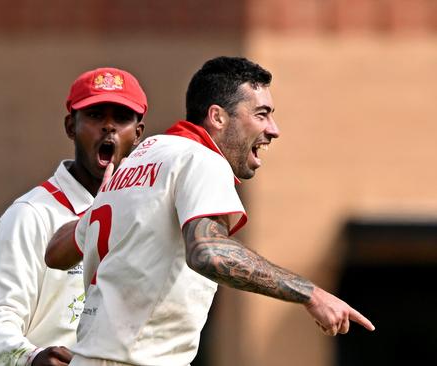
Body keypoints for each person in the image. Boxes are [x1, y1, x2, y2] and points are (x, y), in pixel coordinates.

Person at [45, 56, 375, 366]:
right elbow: (209, 253)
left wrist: (105, 202)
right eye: (261, 114)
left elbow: (56, 252)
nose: (274, 129)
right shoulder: (202, 159)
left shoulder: (139, 160)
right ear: (217, 117)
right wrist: (311, 294)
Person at [0, 67, 146, 366]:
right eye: (94, 115)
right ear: (71, 126)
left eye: (121, 117)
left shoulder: (143, 214)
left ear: (138, 134)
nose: (109, 127)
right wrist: (32, 358)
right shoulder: (31, 214)